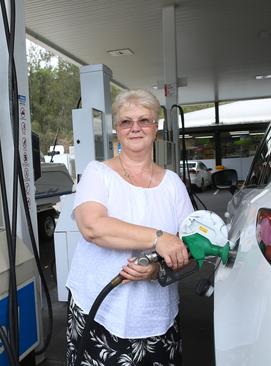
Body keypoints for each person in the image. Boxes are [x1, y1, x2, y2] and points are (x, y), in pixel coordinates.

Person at [66, 89, 194, 365]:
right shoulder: (97, 174)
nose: (135, 128)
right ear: (116, 130)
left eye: (143, 120)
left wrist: (157, 270)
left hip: (156, 319)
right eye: (126, 122)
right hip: (97, 313)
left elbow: (190, 250)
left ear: (155, 128)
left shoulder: (173, 184)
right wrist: (158, 238)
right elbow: (93, 227)